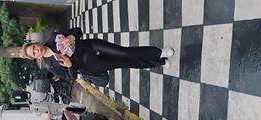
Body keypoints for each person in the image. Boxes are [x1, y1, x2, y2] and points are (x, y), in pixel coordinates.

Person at [20, 27, 174, 85]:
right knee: (127, 62)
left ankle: (159, 51)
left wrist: (71, 37)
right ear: (35, 58)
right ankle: (159, 62)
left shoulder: (53, 37)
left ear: (36, 43)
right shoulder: (51, 66)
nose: (36, 50)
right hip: (93, 65)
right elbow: (71, 78)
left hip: (91, 46)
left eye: (34, 47)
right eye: (33, 53)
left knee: (125, 53)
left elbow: (78, 30)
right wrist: (70, 66)